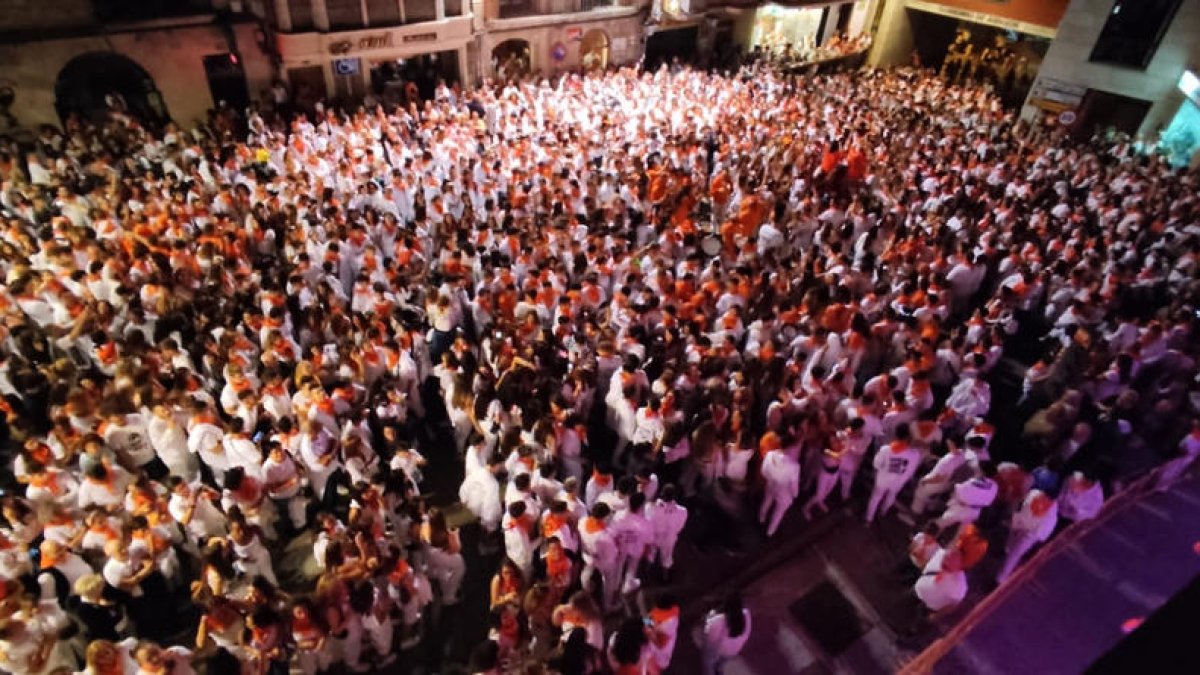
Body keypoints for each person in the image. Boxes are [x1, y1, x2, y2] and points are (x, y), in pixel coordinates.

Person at [996, 490, 1059, 583]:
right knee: (1012, 543)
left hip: (1032, 532)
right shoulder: (1035, 494)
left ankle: (999, 580)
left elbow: (1031, 521)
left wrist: (1012, 522)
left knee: (1015, 553)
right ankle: (1005, 552)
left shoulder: (1047, 505)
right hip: (1025, 524)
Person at [866, 424, 921, 523]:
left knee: (875, 498)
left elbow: (876, 464)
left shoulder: (886, 450)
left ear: (896, 435)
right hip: (898, 482)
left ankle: (868, 519)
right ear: (909, 437)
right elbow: (911, 471)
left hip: (882, 480)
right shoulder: (915, 454)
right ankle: (883, 512)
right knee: (891, 497)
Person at [702, 592, 752, 675]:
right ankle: (719, 669)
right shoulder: (746, 615)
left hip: (718, 649)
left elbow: (709, 640)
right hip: (734, 649)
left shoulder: (717, 621)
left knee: (708, 662)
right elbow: (747, 633)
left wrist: (709, 618)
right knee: (722, 661)